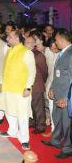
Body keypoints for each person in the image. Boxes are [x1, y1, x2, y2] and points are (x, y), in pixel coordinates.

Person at [0, 30, 36, 151]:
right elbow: (5, 69)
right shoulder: (9, 51)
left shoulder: (26, 52)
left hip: (21, 90)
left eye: (9, 37)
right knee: (9, 111)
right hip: (8, 88)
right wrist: (1, 83)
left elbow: (32, 72)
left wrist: (28, 87)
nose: (7, 38)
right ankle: (12, 131)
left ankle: (24, 139)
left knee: (22, 115)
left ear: (17, 39)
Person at [42, 29, 72, 159]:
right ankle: (56, 140)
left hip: (67, 96)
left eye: (56, 39)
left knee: (67, 123)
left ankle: (68, 148)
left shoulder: (70, 54)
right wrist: (52, 88)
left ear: (61, 39)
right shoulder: (62, 53)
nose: (55, 42)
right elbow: (58, 74)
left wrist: (67, 98)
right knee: (57, 118)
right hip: (58, 92)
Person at [25, 36, 48, 134]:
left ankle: (41, 126)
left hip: (37, 84)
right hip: (27, 84)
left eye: (30, 42)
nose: (28, 44)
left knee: (38, 106)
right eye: (26, 42)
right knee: (30, 105)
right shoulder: (25, 54)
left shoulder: (38, 55)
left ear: (34, 44)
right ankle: (32, 122)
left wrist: (41, 81)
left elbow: (44, 71)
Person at [43, 38, 60, 137]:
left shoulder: (65, 54)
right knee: (52, 109)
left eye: (56, 49)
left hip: (62, 87)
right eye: (51, 48)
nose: (54, 50)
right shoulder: (47, 51)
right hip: (50, 85)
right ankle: (54, 132)